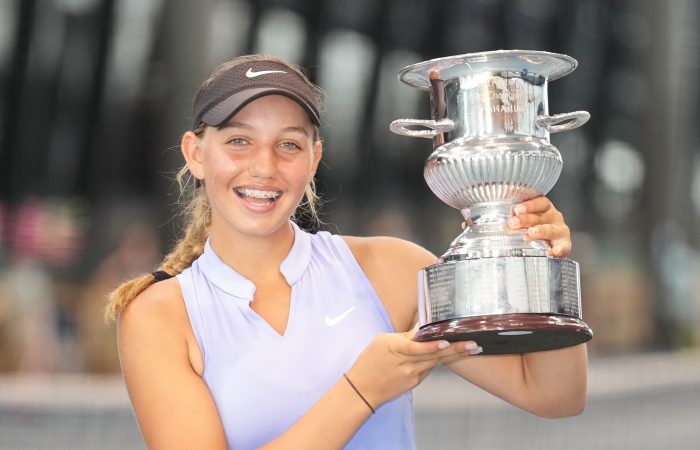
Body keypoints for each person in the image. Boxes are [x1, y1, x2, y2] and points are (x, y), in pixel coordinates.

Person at [106, 54, 587, 450]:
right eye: (238, 141)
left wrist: (544, 261)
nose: (264, 167)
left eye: (288, 145)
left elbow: (555, 395)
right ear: (195, 153)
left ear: (313, 158)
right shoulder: (160, 314)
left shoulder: (389, 270)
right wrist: (362, 390)